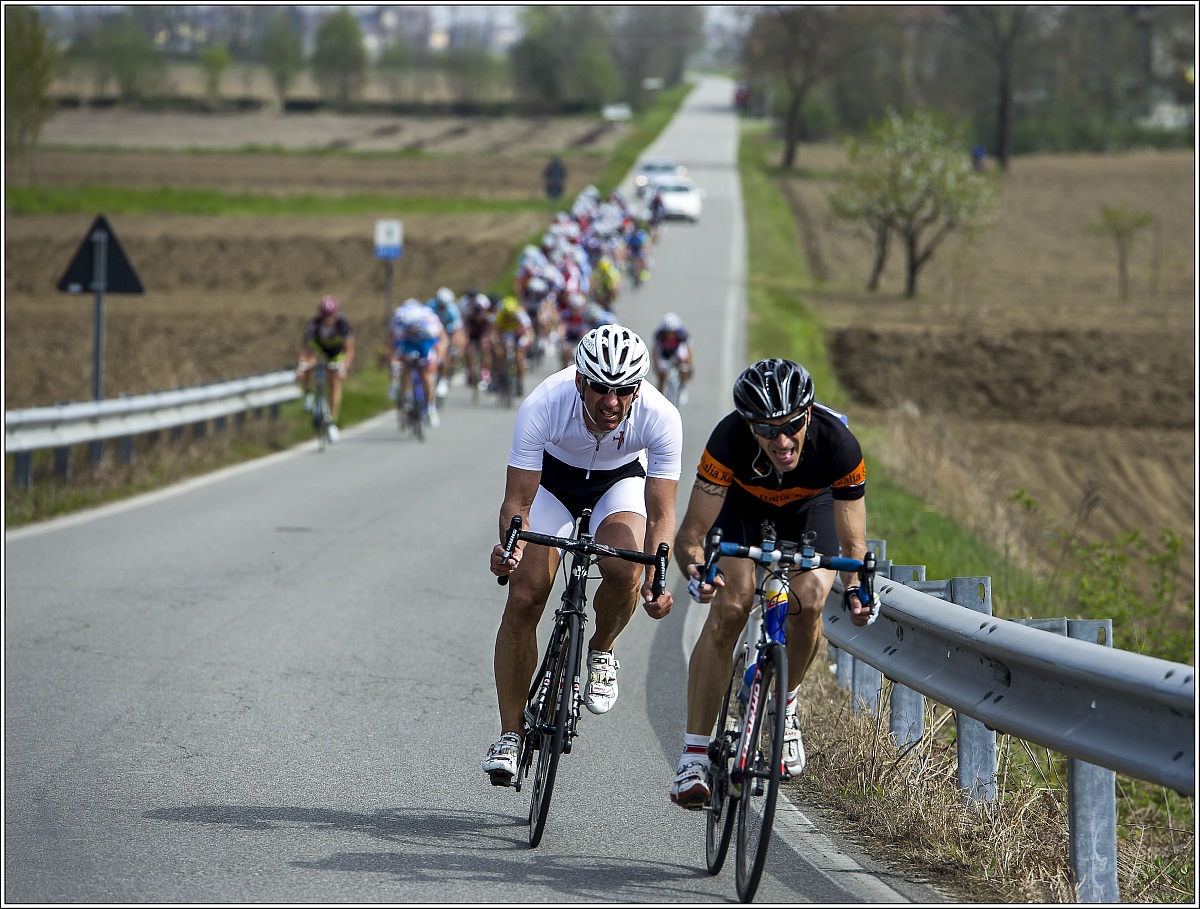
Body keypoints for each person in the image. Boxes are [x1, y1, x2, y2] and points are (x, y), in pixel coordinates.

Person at [668, 358, 877, 809]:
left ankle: (786, 704)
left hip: (811, 511)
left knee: (811, 598)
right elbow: (690, 536)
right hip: (743, 510)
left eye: (792, 425)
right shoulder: (727, 441)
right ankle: (694, 755)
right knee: (730, 607)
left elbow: (853, 545)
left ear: (808, 414)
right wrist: (698, 572)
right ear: (748, 425)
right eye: (766, 429)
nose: (782, 441)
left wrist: (859, 591)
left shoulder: (838, 444)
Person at [482, 324, 684, 785]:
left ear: (638, 390)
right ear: (579, 381)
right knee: (525, 597)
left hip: (621, 481)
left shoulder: (661, 415)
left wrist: (658, 576)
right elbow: (517, 504)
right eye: (600, 388)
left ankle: (601, 648)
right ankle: (510, 735)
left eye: (624, 391)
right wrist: (511, 550)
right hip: (553, 481)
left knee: (625, 566)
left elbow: (661, 513)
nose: (611, 403)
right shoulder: (544, 403)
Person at [296, 294, 355, 443]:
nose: (327, 319)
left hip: (336, 352)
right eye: (325, 315)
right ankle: (308, 394)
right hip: (319, 350)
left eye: (330, 315)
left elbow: (349, 350)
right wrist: (301, 365)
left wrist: (344, 368)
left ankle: (331, 422)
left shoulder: (343, 325)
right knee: (307, 364)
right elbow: (304, 348)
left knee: (334, 383)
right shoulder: (314, 325)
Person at [390, 297, 449, 429]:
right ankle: (407, 397)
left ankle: (430, 407)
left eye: (413, 327)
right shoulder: (400, 325)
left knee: (427, 375)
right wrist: (394, 363)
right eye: (408, 327)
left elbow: (438, 346)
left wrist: (436, 361)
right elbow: (395, 347)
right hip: (408, 345)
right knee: (405, 367)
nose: (411, 330)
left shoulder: (429, 326)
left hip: (425, 345)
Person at [489, 296, 535, 396]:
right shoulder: (499, 315)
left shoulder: (520, 314)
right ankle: (496, 377)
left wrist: (525, 342)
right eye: (507, 315)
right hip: (505, 334)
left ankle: (519, 381)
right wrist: (495, 343)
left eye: (511, 315)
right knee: (499, 354)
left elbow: (528, 332)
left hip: (518, 334)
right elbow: (494, 332)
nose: (509, 317)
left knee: (519, 358)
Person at [427, 286, 465, 401]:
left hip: (448, 333)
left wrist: (454, 346)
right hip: (433, 333)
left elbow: (457, 331)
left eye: (445, 306)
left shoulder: (453, 310)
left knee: (447, 355)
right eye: (441, 305)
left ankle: (443, 379)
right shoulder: (430, 306)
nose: (443, 308)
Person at [652, 312, 694, 405]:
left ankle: (682, 386)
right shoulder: (659, 336)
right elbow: (655, 352)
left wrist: (689, 367)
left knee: (683, 362)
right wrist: (656, 366)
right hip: (665, 353)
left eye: (672, 332)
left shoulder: (683, 336)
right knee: (661, 374)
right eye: (668, 332)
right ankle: (659, 395)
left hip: (677, 352)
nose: (670, 335)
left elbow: (689, 352)